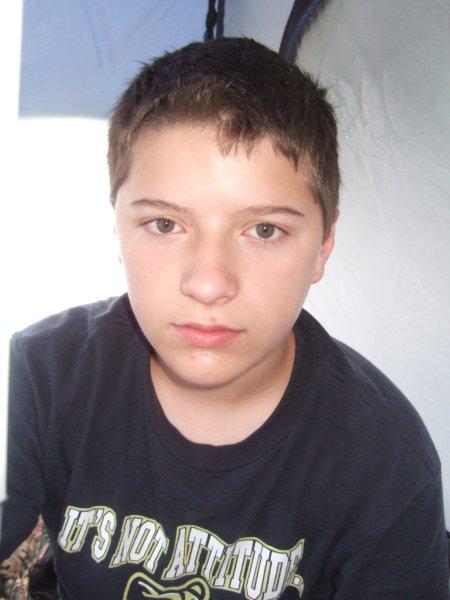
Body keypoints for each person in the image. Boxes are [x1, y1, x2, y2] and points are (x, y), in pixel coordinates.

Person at [1, 37, 448, 599]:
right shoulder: (38, 377)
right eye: (165, 225)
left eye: (264, 230)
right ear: (117, 226)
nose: (209, 284)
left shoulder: (384, 461)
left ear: (324, 245)